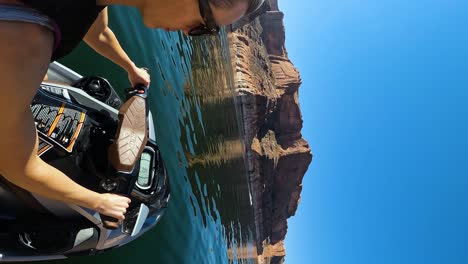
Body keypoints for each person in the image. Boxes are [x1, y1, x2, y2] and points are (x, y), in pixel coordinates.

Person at [0, 0, 264, 221]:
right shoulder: (27, 44)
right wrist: (99, 201)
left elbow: (97, 30)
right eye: (204, 25)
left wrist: (130, 68)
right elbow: (17, 165)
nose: (188, 33)